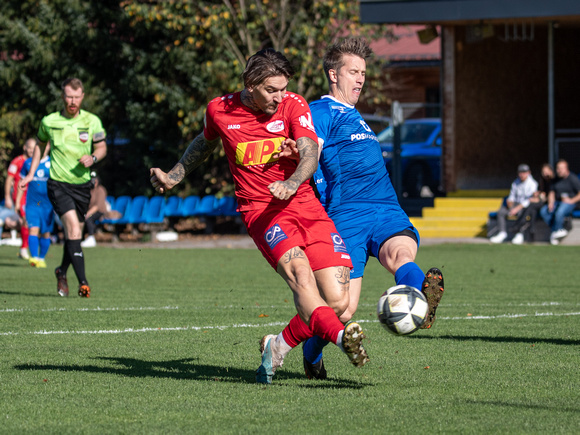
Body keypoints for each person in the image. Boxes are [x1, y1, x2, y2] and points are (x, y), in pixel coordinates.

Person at [149, 48, 369, 384]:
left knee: (338, 302)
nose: (279, 97)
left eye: (283, 88)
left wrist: (293, 180)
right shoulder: (220, 110)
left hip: (306, 206)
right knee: (301, 278)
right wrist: (175, 175)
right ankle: (342, 339)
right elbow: (205, 142)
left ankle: (277, 346)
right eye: (271, 90)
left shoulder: (294, 104)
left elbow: (310, 152)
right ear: (249, 85)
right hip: (263, 212)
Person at [278, 38, 444, 380]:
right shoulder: (320, 112)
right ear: (333, 75)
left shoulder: (358, 118)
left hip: (386, 207)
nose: (360, 79)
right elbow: (311, 152)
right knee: (342, 308)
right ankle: (311, 357)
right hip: (345, 215)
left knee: (402, 255)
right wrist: (296, 158)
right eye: (353, 72)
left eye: (363, 73)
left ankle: (419, 299)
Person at [20, 77, 107, 297]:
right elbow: (40, 146)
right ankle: (84, 283)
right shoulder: (49, 121)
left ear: (82, 97)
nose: (73, 101)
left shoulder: (92, 121)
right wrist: (31, 174)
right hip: (58, 184)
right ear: (62, 96)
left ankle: (61, 271)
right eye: (69, 96)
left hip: (82, 186)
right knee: (74, 229)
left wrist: (93, 158)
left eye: (77, 97)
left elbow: (102, 147)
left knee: (73, 235)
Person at [16, 150, 54, 268]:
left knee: (46, 233)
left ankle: (41, 258)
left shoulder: (53, 163)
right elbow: (22, 183)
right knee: (33, 229)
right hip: (32, 203)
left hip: (48, 205)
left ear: (48, 146)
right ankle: (34, 257)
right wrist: (18, 201)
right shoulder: (28, 163)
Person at [489, 164, 538, 245]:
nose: (522, 174)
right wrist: (510, 205)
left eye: (524, 172)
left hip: (524, 206)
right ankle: (502, 233)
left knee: (521, 213)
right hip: (515, 204)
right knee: (501, 212)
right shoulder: (516, 182)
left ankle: (519, 234)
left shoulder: (533, 184)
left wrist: (517, 208)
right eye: (520, 172)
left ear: (529, 173)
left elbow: (529, 200)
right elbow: (511, 196)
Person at [4, 138, 35, 259]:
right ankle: (24, 249)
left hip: (33, 196)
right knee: (25, 221)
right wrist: (7, 196)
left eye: (34, 148)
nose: (32, 150)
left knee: (29, 223)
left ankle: (10, 223)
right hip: (20, 196)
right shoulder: (17, 161)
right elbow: (9, 179)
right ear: (25, 148)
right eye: (30, 148)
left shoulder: (35, 162)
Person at [539, 159, 580, 245]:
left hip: (571, 203)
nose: (559, 170)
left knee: (560, 211)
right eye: (558, 168)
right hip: (558, 202)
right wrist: (551, 202)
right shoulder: (556, 180)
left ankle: (558, 230)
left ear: (566, 169)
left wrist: (571, 200)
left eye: (561, 168)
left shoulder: (573, 178)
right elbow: (552, 192)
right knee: (544, 211)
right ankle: (557, 231)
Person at [81, 173, 108, 248]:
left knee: (89, 218)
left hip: (100, 212)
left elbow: (97, 206)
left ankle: (91, 238)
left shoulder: (101, 190)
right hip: (89, 211)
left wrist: (87, 214)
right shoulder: (88, 190)